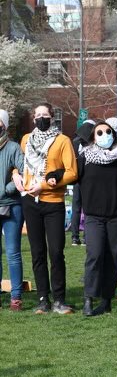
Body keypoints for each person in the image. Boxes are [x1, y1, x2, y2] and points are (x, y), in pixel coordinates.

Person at [16, 103, 78, 314]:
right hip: (30, 201)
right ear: (33, 118)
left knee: (56, 251)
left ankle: (59, 299)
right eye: (38, 115)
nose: (41, 118)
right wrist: (16, 175)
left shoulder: (62, 141)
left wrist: (44, 184)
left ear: (52, 118)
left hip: (53, 202)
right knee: (37, 252)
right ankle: (43, 298)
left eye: (45, 115)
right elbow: (20, 164)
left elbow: (71, 172)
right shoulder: (26, 140)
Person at [77, 121, 117, 316]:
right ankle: (89, 299)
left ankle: (106, 300)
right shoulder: (84, 158)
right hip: (94, 217)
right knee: (95, 256)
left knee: (114, 258)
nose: (104, 135)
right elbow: (71, 175)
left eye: (108, 132)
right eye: (100, 132)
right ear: (93, 136)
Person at [0, 110, 25, 311]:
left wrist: (7, 188)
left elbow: (24, 171)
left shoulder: (14, 147)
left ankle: (16, 296)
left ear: (5, 125)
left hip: (12, 206)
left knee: (13, 252)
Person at [70, 119, 95, 246]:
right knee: (86, 208)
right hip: (85, 179)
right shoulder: (93, 143)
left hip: (77, 179)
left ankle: (75, 236)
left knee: (76, 208)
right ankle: (84, 236)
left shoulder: (74, 142)